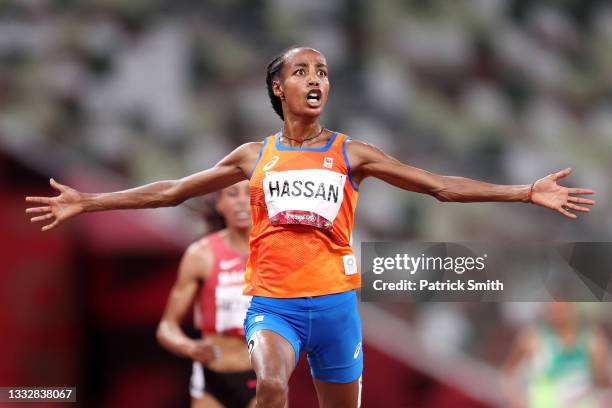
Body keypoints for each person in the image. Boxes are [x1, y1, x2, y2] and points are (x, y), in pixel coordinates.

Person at [25, 46, 596, 408]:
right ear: (280, 88)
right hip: (274, 304)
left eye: (322, 71)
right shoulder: (254, 156)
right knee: (271, 383)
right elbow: (173, 190)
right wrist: (90, 201)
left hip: (336, 307)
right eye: (302, 71)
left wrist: (524, 191)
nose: (315, 79)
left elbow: (438, 185)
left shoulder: (353, 154)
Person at [156, 180, 256, 408]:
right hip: (212, 379)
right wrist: (189, 347)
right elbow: (166, 328)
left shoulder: (277, 254)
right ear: (219, 204)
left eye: (249, 194)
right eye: (232, 194)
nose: (241, 202)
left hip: (263, 376)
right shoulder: (200, 255)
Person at [503, 302, 610, 408]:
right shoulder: (533, 337)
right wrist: (516, 400)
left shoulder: (591, 338)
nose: (559, 314)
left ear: (573, 309)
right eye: (554, 309)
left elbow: (603, 380)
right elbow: (509, 371)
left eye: (563, 309)